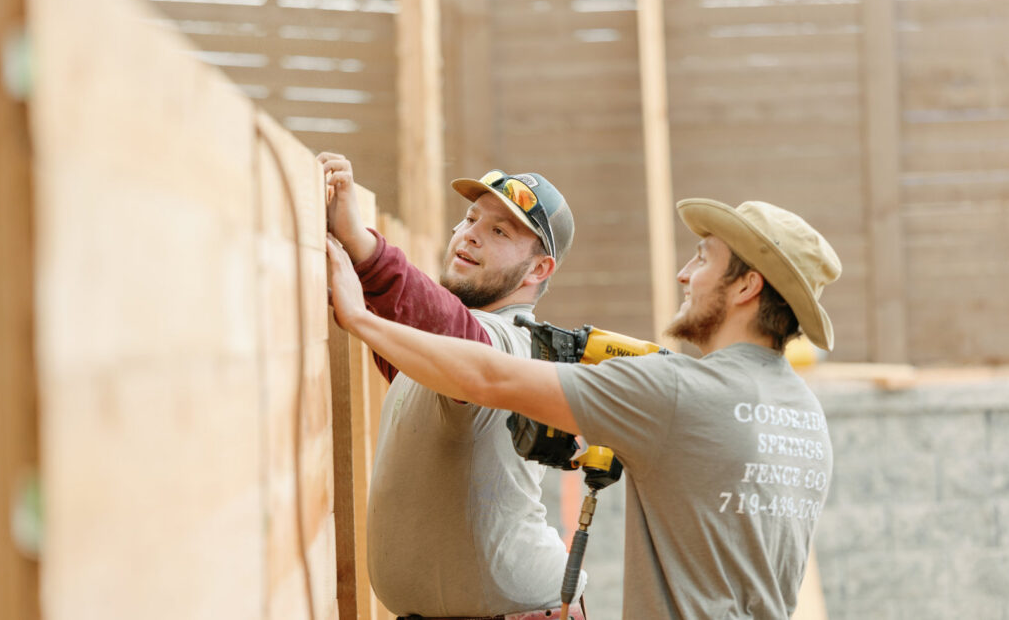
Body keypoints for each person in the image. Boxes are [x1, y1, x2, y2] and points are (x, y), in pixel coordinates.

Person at [326, 197, 842, 619]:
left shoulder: (676, 392)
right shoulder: (806, 414)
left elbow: (483, 373)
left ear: (748, 286)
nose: (685, 274)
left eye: (704, 258)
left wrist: (358, 314)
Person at [320, 152, 587, 620]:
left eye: (500, 231)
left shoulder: (514, 342)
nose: (471, 234)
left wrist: (363, 247)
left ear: (538, 270)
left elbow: (453, 332)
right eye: (470, 218)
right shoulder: (443, 355)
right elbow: (414, 326)